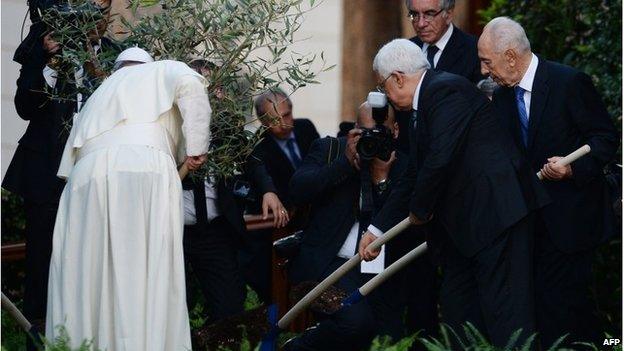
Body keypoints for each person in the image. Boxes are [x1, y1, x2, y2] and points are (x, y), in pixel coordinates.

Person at [358, 39, 549, 347]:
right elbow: (413, 174)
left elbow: (439, 159)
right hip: (465, 229)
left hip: (498, 217)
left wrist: (420, 210)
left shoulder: (445, 90)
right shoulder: (425, 104)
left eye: (383, 86)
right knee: (458, 313)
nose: (386, 96)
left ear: (398, 78)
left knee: (507, 317)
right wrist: (377, 228)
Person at [46, 48, 210, 350]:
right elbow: (191, 83)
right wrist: (197, 145)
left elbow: (69, 169)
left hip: (85, 179)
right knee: (146, 265)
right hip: (144, 167)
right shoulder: (163, 69)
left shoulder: (98, 96)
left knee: (87, 274)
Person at [478, 17, 619, 347]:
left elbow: (605, 138)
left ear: (510, 56)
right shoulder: (500, 99)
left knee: (573, 314)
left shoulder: (568, 83)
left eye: (487, 61)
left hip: (573, 224)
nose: (484, 71)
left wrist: (571, 170)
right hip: (529, 227)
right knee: (540, 314)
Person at [2, 2, 116, 348]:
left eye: (103, 9)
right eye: (89, 9)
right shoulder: (45, 47)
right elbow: (25, 107)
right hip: (46, 172)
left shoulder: (116, 54)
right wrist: (49, 63)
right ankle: (39, 339)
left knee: (95, 258)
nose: (96, 17)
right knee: (42, 261)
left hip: (98, 173)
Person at [182, 59, 289, 325]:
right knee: (176, 305)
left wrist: (268, 191)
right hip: (174, 229)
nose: (215, 94)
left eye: (216, 88)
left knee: (229, 306)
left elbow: (249, 158)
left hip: (215, 229)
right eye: (206, 88)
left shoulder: (225, 123)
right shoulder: (170, 123)